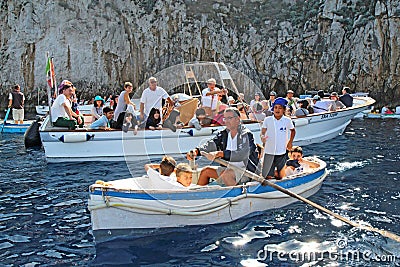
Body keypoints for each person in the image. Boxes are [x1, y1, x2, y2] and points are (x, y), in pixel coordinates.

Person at [186, 107, 259, 186]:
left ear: (237, 119)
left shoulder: (246, 135)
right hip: (228, 169)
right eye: (225, 119)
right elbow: (211, 144)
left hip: (246, 172)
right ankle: (200, 196)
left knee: (227, 175)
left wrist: (221, 154)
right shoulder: (223, 134)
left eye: (229, 118)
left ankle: (234, 196)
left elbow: (242, 154)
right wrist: (196, 151)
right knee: (206, 171)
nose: (226, 121)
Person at [261, 97, 296, 180]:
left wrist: (290, 142)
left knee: (280, 176)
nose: (277, 110)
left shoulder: (287, 120)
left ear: (284, 110)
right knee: (267, 176)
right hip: (269, 151)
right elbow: (262, 132)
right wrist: (262, 137)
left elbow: (293, 131)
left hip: (281, 152)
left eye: (280, 108)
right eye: (275, 107)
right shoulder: (267, 120)